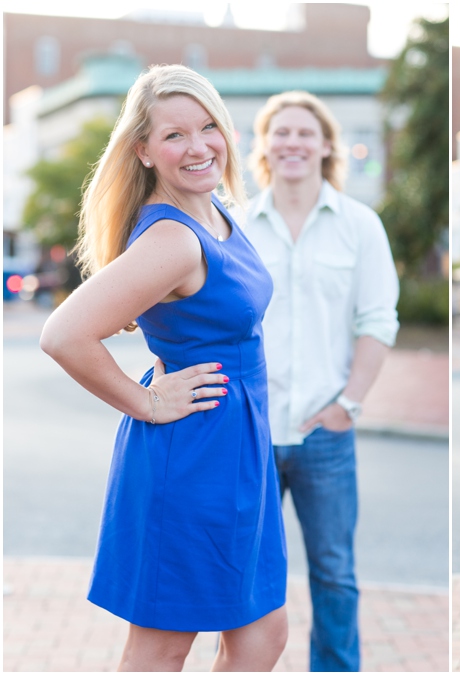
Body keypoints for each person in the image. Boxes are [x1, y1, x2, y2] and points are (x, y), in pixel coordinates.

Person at [40, 64, 288, 671]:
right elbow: (64, 334)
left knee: (261, 635)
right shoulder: (172, 238)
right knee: (162, 647)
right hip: (192, 457)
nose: (198, 145)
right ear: (144, 150)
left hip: (237, 450)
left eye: (209, 127)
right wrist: (146, 400)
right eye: (174, 135)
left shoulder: (215, 210)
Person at [242, 91, 399, 672]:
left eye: (304, 133)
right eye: (279, 132)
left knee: (334, 571)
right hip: (249, 432)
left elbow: (379, 319)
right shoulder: (234, 226)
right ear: (263, 146)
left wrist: (349, 403)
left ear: (327, 145)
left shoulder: (360, 225)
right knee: (242, 573)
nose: (292, 143)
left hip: (325, 433)